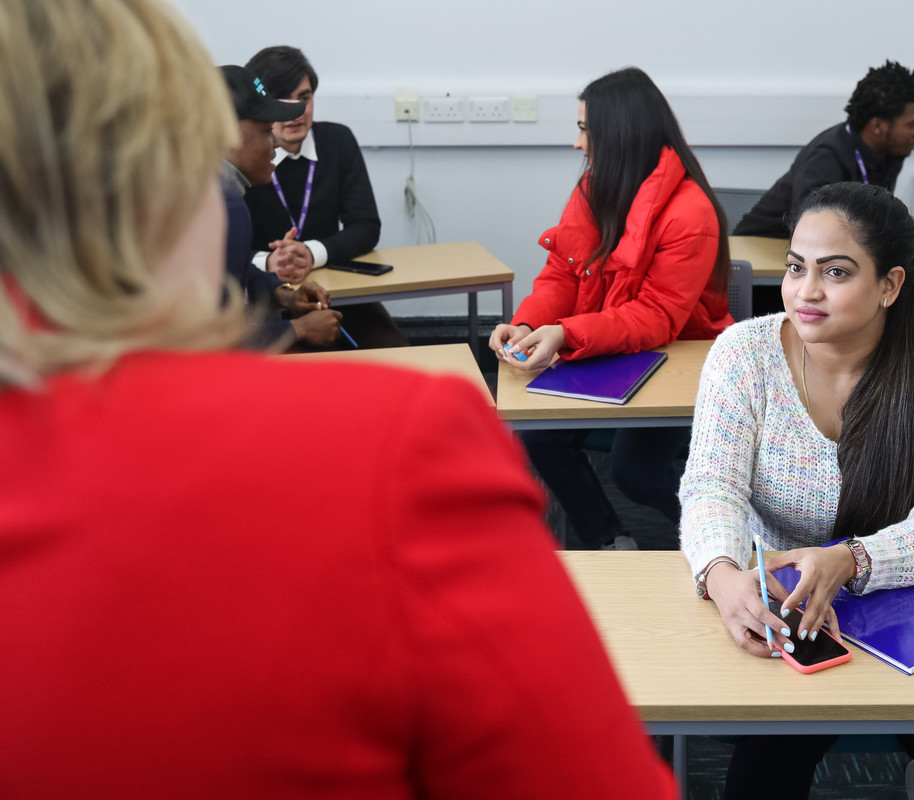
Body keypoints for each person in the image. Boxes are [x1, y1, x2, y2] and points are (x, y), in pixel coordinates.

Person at [0, 3, 675, 798]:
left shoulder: (345, 152)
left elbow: (368, 229)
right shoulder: (394, 451)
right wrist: (535, 318)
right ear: (172, 171)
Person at [680, 182, 914, 800]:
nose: (805, 292)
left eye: (835, 273)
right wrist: (721, 574)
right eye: (795, 267)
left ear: (889, 285)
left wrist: (853, 558)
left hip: (903, 595)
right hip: (779, 600)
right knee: (761, 780)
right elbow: (710, 487)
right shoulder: (744, 354)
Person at [489, 66, 734, 551]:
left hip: (677, 360)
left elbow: (657, 317)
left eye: (585, 130)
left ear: (618, 134)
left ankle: (731, 543)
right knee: (540, 436)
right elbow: (562, 272)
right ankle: (609, 541)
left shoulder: (690, 212)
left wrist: (567, 334)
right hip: (611, 347)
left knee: (636, 473)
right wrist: (527, 323)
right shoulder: (595, 188)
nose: (578, 144)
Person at [244, 45, 406, 348]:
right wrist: (269, 262)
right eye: (282, 101)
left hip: (333, 293)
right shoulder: (244, 155)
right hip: (262, 297)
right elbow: (224, 248)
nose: (296, 111)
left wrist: (311, 253)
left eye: (303, 99)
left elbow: (366, 226)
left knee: (394, 350)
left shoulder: (337, 141)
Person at [219, 64, 344, 349]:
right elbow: (211, 340)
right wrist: (296, 329)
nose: (275, 143)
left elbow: (229, 273)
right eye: (266, 131)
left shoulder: (209, 193)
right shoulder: (223, 208)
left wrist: (282, 293)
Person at [733, 61, 914, 239]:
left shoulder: (891, 153)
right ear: (878, 126)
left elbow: (874, 219)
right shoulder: (826, 157)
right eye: (912, 124)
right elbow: (810, 229)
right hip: (764, 255)